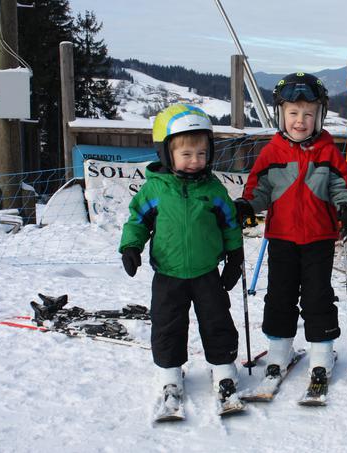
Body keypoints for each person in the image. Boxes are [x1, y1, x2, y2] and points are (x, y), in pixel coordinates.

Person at [235, 72, 347, 383]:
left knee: (318, 296)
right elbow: (259, 189)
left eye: (308, 114)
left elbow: (342, 186)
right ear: (281, 114)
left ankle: (321, 352)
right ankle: (279, 351)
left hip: (319, 238)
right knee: (279, 295)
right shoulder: (271, 153)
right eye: (293, 113)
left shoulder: (329, 152)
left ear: (319, 116)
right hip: (281, 238)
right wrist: (247, 205)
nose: (300, 121)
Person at [119, 103, 244, 405]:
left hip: (206, 273)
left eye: (201, 154)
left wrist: (235, 256)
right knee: (168, 324)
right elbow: (137, 220)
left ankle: (224, 368)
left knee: (217, 321)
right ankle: (170, 373)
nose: (194, 161)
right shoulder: (156, 191)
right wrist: (131, 246)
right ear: (166, 153)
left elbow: (229, 223)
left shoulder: (213, 190)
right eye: (186, 154)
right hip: (168, 274)